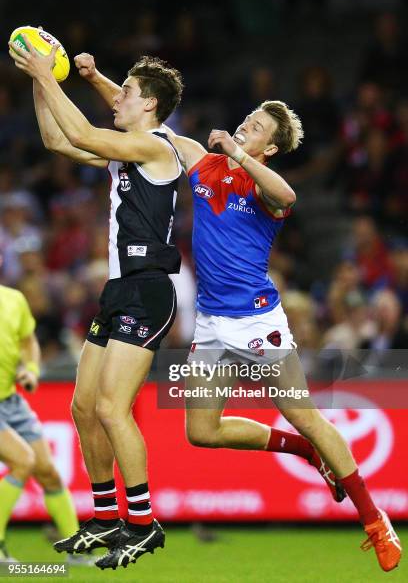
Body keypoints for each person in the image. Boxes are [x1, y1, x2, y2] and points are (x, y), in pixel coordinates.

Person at [70, 52, 401, 573]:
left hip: (257, 321)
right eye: (248, 119)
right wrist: (93, 79)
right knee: (201, 432)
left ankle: (374, 519)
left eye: (258, 129)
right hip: (211, 323)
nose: (246, 127)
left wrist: (241, 156)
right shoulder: (200, 161)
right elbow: (141, 117)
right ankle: (302, 452)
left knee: (304, 412)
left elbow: (286, 193)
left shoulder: (263, 187)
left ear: (269, 147)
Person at [9, 38, 184, 570]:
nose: (118, 98)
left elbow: (83, 131)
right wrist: (44, 85)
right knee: (83, 407)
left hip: (149, 288)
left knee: (112, 408)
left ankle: (143, 522)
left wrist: (47, 75)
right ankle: (107, 519)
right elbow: (59, 141)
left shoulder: (158, 145)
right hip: (118, 290)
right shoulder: (126, 152)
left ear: (149, 104)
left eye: (126, 91)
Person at [0, 282, 81, 564]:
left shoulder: (14, 299)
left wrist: (31, 369)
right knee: (23, 461)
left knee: (48, 471)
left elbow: (28, 341)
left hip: (10, 399)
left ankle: (75, 551)